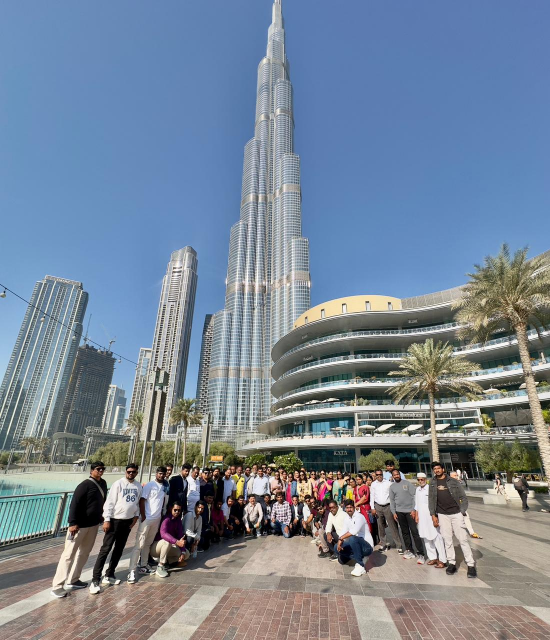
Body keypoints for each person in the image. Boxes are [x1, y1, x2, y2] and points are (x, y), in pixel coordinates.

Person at [51, 461, 108, 598]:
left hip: (93, 525)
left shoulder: (103, 484)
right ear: (92, 471)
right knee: (68, 555)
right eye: (98, 469)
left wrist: (102, 517)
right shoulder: (84, 485)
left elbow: (102, 502)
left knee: (84, 553)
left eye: (102, 469)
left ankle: (74, 579)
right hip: (79, 527)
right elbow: (74, 504)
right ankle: (57, 586)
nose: (100, 471)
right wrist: (72, 523)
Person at [89, 464, 141, 594]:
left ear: (136, 473)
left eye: (133, 472)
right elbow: (110, 502)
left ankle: (109, 574)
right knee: (105, 549)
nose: (131, 473)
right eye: (129, 471)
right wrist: (107, 519)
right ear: (125, 471)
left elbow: (137, 503)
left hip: (127, 522)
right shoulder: (118, 484)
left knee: (119, 549)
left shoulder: (138, 486)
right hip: (115, 521)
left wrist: (135, 517)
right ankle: (95, 579)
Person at [429, 461, 476, 578]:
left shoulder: (453, 481)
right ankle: (452, 563)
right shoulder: (432, 482)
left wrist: (462, 511)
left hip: (456, 513)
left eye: (438, 468)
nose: (437, 470)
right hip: (442, 514)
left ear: (443, 469)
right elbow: (431, 500)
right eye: (435, 469)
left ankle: (470, 564)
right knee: (447, 539)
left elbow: (463, 497)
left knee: (463, 539)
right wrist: (433, 515)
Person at [128, 466, 168, 584]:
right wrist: (144, 516)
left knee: (147, 544)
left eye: (163, 474)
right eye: (160, 473)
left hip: (156, 519)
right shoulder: (150, 485)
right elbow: (142, 500)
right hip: (147, 519)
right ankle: (131, 571)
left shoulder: (165, 486)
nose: (161, 475)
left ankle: (143, 566)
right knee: (139, 545)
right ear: (156, 473)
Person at [389, 469, 423, 560]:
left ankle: (421, 552)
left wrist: (413, 509)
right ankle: (410, 550)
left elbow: (414, 496)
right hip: (399, 512)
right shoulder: (392, 487)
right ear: (392, 476)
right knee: (405, 532)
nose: (396, 476)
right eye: (394, 475)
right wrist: (394, 512)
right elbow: (392, 501)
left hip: (410, 512)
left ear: (400, 474)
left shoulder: (407, 484)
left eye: (397, 474)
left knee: (414, 532)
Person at [414, 473, 446, 568]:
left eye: (422, 479)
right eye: (419, 480)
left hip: (431, 516)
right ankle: (433, 557)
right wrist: (416, 515)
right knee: (426, 537)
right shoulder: (417, 489)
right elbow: (417, 504)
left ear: (425, 479)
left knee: (437, 537)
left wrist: (435, 516)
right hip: (422, 518)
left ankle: (442, 559)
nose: (420, 481)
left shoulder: (430, 488)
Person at [150, 502, 189, 578]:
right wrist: (176, 542)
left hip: (169, 546)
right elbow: (163, 534)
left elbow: (180, 536)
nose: (177, 512)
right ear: (171, 509)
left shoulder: (178, 521)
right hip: (156, 547)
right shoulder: (166, 519)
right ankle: (160, 566)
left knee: (186, 554)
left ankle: (168, 561)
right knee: (167, 542)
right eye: (175, 510)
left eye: (179, 510)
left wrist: (183, 551)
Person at [336, 500, 374, 577]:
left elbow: (354, 531)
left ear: (354, 507)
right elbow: (343, 531)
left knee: (352, 538)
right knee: (336, 547)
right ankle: (360, 557)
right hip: (356, 545)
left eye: (351, 507)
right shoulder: (347, 518)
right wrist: (339, 540)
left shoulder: (359, 517)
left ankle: (361, 565)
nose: (349, 509)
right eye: (347, 508)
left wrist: (341, 538)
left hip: (367, 547)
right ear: (345, 509)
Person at [370, 469, 401, 552]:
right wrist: (372, 507)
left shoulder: (388, 483)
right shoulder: (373, 484)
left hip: (388, 506)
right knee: (380, 526)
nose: (379, 476)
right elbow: (372, 496)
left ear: (382, 475)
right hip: (378, 506)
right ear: (375, 475)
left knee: (392, 525)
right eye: (377, 475)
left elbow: (393, 494)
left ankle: (398, 545)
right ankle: (384, 544)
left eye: (380, 474)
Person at [450, 471, 482, 538]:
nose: (456, 477)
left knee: (466, 517)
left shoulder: (458, 483)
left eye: (456, 475)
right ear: (450, 476)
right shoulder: (449, 484)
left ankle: (471, 532)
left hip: (460, 505)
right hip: (452, 505)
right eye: (454, 475)